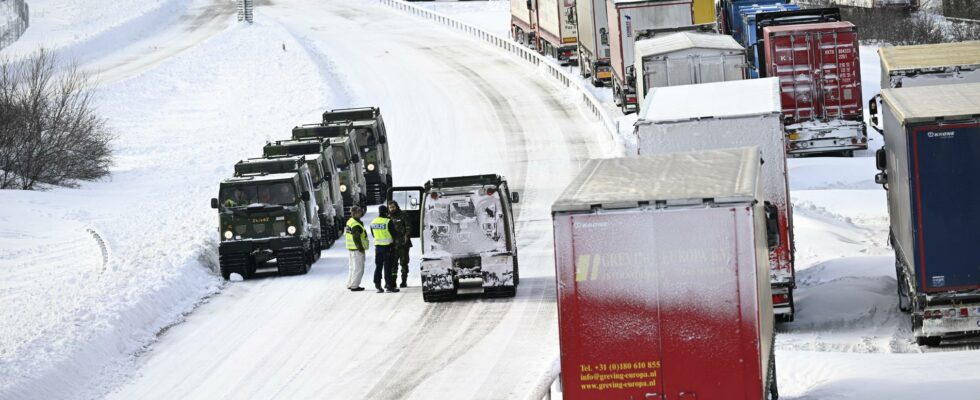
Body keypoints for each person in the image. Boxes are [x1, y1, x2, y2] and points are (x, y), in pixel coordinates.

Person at [371, 205, 399, 293]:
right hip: (387, 247)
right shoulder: (388, 221)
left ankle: (378, 285)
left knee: (378, 266)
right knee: (388, 267)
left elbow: (373, 235)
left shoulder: (373, 222)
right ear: (386, 212)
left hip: (378, 248)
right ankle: (389, 286)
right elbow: (394, 235)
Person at [388, 200, 412, 288]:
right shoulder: (388, 216)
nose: (392, 209)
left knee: (404, 264)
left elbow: (408, 227)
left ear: (397, 206)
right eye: (390, 207)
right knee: (393, 265)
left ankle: (404, 281)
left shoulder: (403, 215)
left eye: (393, 207)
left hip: (403, 244)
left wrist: (407, 236)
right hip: (393, 245)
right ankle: (393, 282)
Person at [345, 206, 368, 292]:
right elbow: (356, 238)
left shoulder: (350, 221)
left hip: (351, 249)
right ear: (355, 213)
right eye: (359, 212)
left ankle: (350, 283)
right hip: (357, 249)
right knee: (359, 268)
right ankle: (354, 286)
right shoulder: (355, 225)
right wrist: (361, 248)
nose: (361, 213)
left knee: (352, 268)